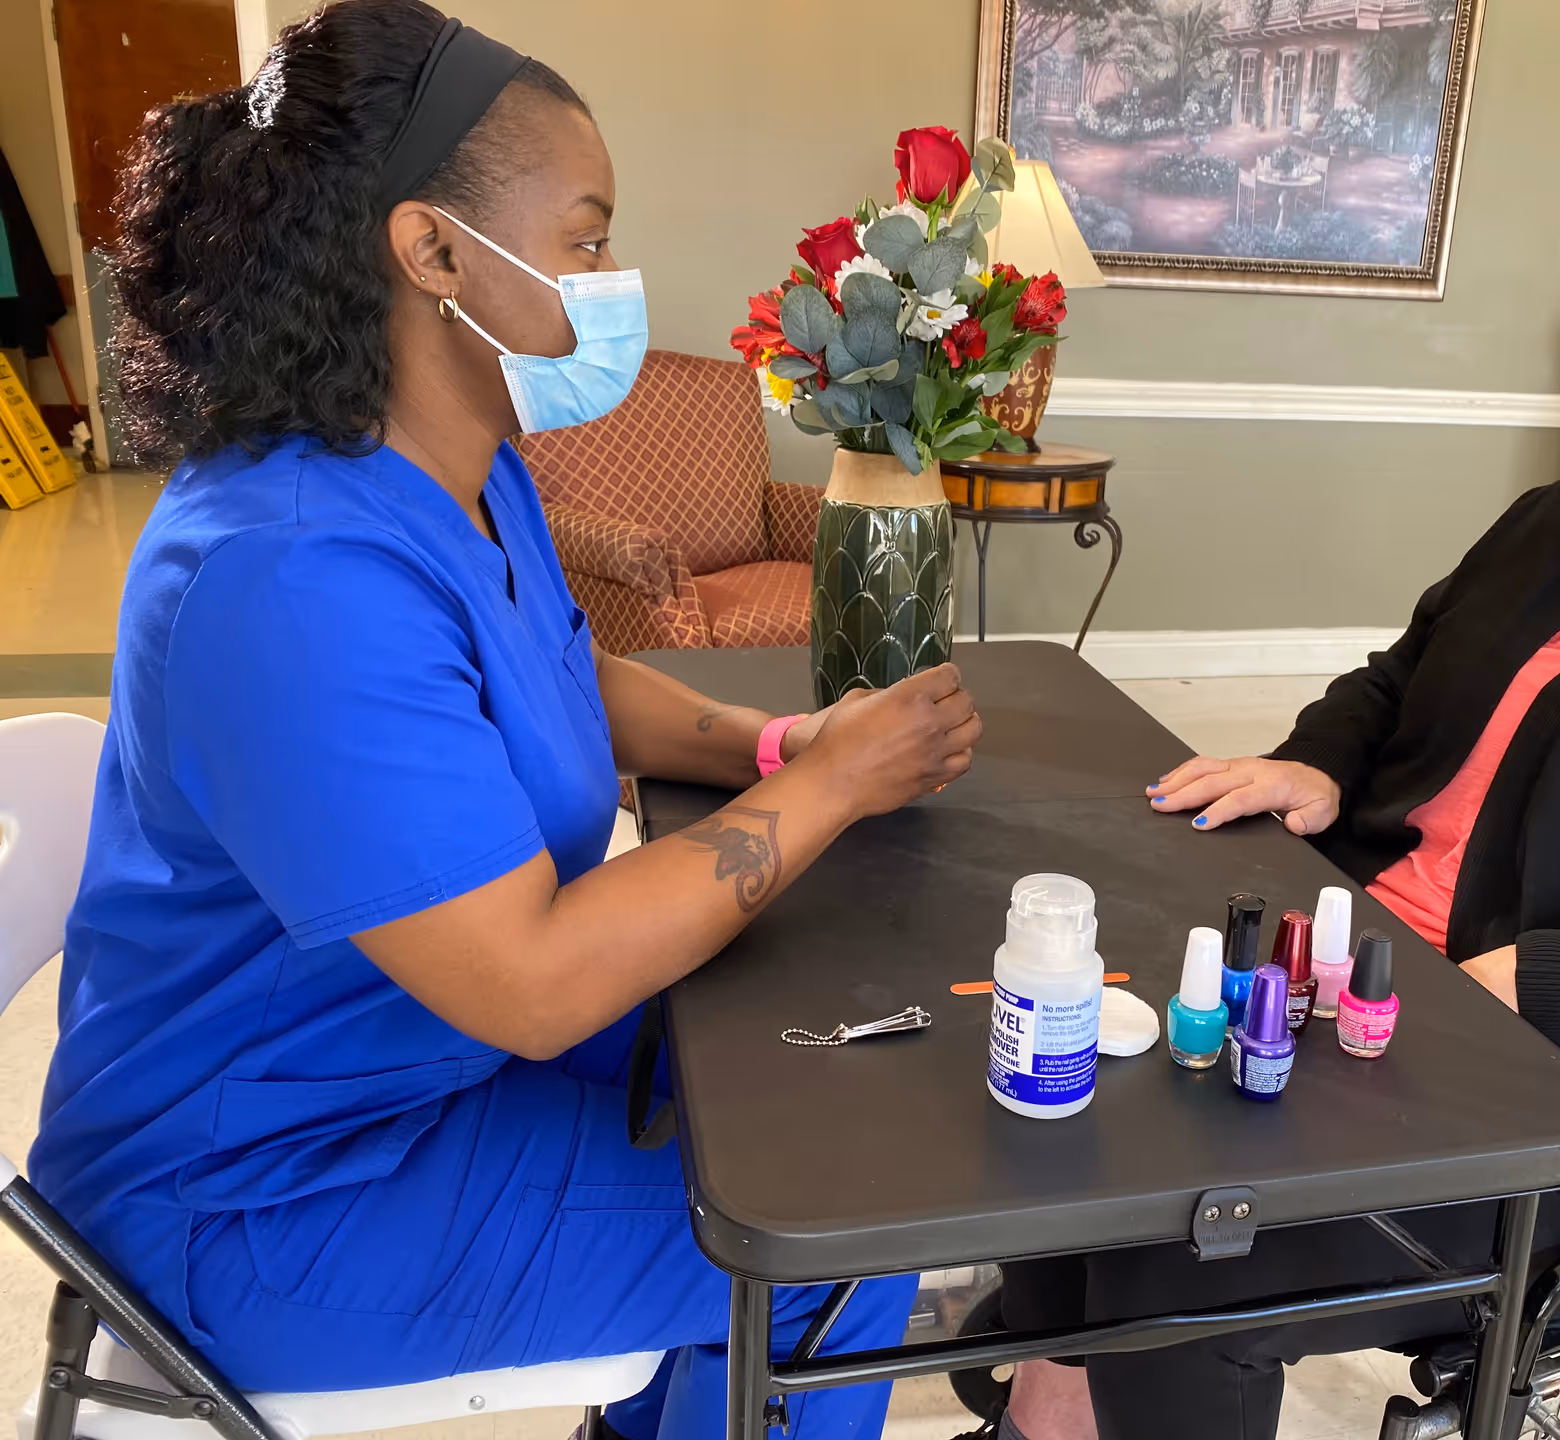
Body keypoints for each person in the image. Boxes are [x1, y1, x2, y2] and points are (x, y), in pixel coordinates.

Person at [27, 5, 982, 1438]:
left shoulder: (463, 469)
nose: (611, 283)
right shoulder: (292, 574)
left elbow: (560, 675)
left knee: (793, 1053)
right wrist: (831, 789)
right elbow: (533, 981)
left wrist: (771, 747)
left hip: (409, 1055)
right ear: (432, 252)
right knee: (838, 1226)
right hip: (259, 1192)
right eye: (587, 241)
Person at [984, 221, 1560, 1440]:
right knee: (1061, 1115)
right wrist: (1317, 763)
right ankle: (1052, 1406)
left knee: (1186, 1256)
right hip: (1354, 975)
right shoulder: (1556, 529)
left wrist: (1547, 977)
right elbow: (1398, 677)